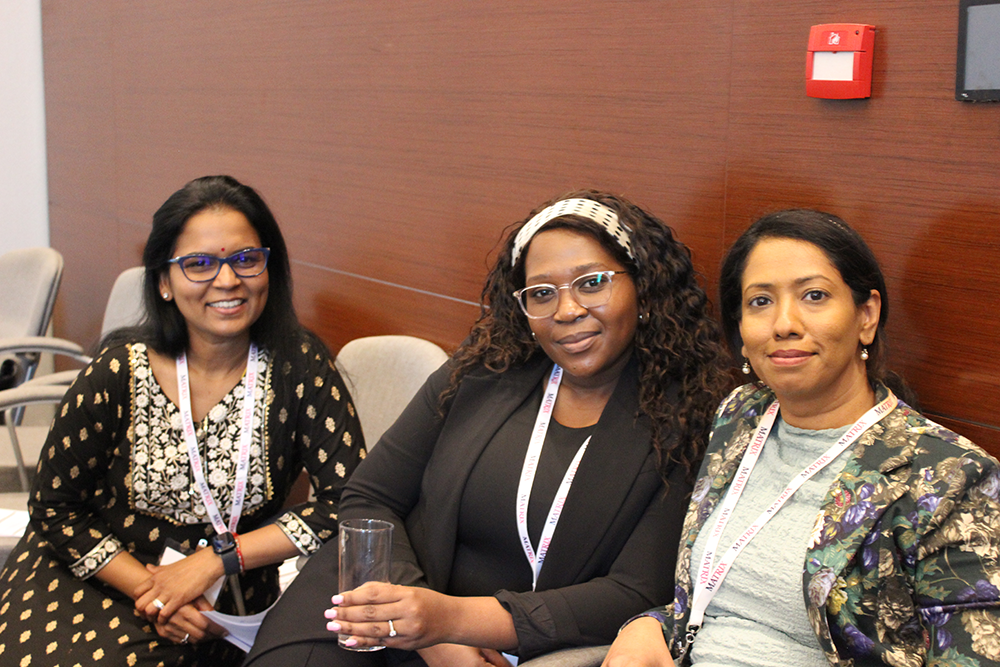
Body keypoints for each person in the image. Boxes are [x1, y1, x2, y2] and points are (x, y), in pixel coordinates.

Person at [244, 191, 731, 666]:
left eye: (592, 283)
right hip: (387, 611)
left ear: (643, 287)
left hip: (511, 641)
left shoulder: (688, 421)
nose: (566, 311)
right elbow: (370, 497)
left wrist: (454, 621)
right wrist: (426, 629)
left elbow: (635, 591)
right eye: (542, 293)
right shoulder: (482, 372)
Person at [601, 208, 1000, 667]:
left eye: (813, 295)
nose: (784, 323)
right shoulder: (741, 416)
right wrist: (649, 626)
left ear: (866, 316)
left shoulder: (949, 478)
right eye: (760, 302)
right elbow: (711, 598)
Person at [0, 175, 366, 666]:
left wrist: (217, 561)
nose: (227, 280)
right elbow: (56, 509)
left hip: (226, 602)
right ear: (164, 283)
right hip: (96, 573)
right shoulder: (117, 370)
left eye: (245, 259)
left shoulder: (300, 369)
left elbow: (351, 502)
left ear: (268, 269)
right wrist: (156, 591)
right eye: (198, 264)